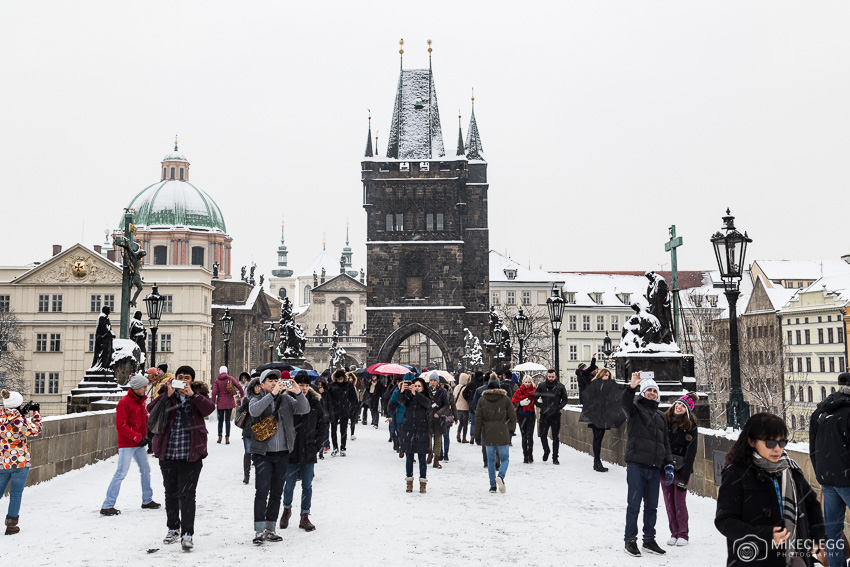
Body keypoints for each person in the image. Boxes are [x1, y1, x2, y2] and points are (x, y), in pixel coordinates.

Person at [716, 412, 826, 567]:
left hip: (793, 556)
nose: (777, 449)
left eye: (782, 443)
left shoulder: (791, 469)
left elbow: (811, 505)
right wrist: (765, 536)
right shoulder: (736, 474)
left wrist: (817, 536)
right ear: (751, 441)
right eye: (770, 443)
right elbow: (725, 521)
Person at [147, 365, 215, 551]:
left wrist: (192, 395)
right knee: (170, 493)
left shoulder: (199, 394)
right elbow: (150, 409)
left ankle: (187, 533)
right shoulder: (165, 394)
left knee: (187, 495)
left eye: (187, 377)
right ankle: (172, 528)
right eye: (180, 376)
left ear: (192, 380)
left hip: (191, 453)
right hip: (168, 452)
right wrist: (166, 396)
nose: (183, 380)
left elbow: (209, 409)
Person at [248, 369, 309, 545]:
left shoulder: (286, 400)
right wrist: (271, 395)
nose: (274, 383)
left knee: (276, 492)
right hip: (263, 453)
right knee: (261, 491)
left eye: (276, 380)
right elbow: (254, 411)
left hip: (282, 453)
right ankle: (259, 530)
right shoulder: (258, 399)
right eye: (270, 381)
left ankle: (271, 527)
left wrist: (297, 391)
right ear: (262, 385)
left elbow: (304, 409)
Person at [621, 372, 674, 558]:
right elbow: (625, 403)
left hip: (654, 467)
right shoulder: (635, 409)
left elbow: (665, 442)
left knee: (652, 506)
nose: (652, 393)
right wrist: (632, 386)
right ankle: (630, 539)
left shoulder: (661, 416)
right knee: (634, 504)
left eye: (654, 391)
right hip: (637, 465)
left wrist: (668, 464)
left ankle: (649, 539)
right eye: (649, 390)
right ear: (643, 393)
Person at [100, 373, 160, 516]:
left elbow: (143, 421)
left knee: (145, 470)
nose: (146, 389)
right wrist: (138, 437)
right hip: (127, 443)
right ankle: (107, 505)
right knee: (121, 473)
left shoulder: (140, 402)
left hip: (138, 442)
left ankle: (147, 499)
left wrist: (149, 433)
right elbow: (121, 426)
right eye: (144, 387)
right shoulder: (124, 403)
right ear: (137, 387)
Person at [809, 372, 850, 567]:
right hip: (847, 478)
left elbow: (813, 447)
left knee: (832, 530)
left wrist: (819, 473)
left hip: (827, 479)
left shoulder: (820, 412)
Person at [280, 371, 326, 533]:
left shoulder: (315, 402)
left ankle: (304, 515)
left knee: (307, 485)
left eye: (306, 385)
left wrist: (317, 444)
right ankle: (286, 510)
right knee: (289, 484)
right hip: (291, 449)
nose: (304, 388)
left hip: (308, 449)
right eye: (301, 385)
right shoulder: (287, 400)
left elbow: (322, 425)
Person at [0, 389, 41, 535]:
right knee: (16, 495)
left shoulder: (1, 416)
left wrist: (22, 412)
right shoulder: (19, 420)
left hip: (3, 462)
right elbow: (36, 430)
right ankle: (11, 525)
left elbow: (10, 424)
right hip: (20, 462)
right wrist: (36, 413)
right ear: (18, 404)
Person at [661, 392, 699, 547]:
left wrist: (684, 476)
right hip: (665, 467)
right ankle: (674, 533)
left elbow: (691, 453)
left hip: (682, 468)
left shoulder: (691, 427)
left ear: (687, 410)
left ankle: (683, 533)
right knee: (669, 502)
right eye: (678, 403)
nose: (678, 407)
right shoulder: (665, 421)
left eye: (683, 406)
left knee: (679, 502)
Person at [474, 376, 517, 493]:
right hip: (502, 431)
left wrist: (476, 435)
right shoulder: (505, 399)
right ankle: (501, 476)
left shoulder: (482, 400)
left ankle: (492, 485)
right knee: (505, 459)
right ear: (498, 386)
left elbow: (478, 419)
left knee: (491, 460)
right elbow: (512, 416)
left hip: (488, 433)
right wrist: (511, 430)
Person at [399, 378, 431, 494]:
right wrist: (402, 391)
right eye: (415, 385)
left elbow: (427, 404)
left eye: (419, 386)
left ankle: (423, 483)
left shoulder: (424, 397)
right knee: (409, 457)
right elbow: (402, 402)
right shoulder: (410, 397)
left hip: (422, 429)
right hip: (409, 428)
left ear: (423, 388)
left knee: (422, 458)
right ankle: (409, 482)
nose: (417, 387)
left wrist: (416, 394)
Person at [534, 369, 568, 465]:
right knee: (543, 435)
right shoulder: (542, 386)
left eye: (552, 377)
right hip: (544, 415)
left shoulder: (560, 387)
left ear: (555, 376)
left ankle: (555, 457)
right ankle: (546, 450)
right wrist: (541, 405)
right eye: (549, 377)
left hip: (555, 415)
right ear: (547, 376)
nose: (551, 378)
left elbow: (565, 399)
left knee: (555, 437)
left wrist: (558, 407)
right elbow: (535, 398)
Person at [235, 375, 263, 484]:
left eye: (259, 386)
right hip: (248, 429)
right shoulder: (247, 399)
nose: (257, 389)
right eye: (255, 387)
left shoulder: (264, 398)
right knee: (248, 452)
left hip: (259, 429)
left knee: (258, 454)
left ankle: (259, 475)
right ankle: (246, 475)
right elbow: (239, 410)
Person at [585, 367, 613, 472]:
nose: (607, 377)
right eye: (606, 375)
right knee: (597, 439)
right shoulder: (595, 384)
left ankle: (596, 462)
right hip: (597, 415)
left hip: (603, 415)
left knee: (598, 439)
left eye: (608, 376)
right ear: (601, 375)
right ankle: (597, 462)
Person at [211, 365, 245, 445]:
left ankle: (219, 437)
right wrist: (242, 395)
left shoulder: (217, 381)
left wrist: (212, 402)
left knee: (220, 421)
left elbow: (214, 392)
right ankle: (227, 438)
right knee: (227, 421)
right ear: (226, 371)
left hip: (220, 404)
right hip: (229, 403)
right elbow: (239, 386)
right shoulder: (230, 379)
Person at [328, 369, 358, 456]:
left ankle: (343, 447)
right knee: (333, 430)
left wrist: (350, 407)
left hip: (344, 410)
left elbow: (354, 399)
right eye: (338, 379)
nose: (340, 381)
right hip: (334, 410)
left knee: (343, 430)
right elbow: (328, 398)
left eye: (341, 379)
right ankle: (335, 447)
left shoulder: (348, 385)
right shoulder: (332, 385)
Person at [511, 375, 537, 463]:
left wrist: (539, 400)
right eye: (525, 382)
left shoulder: (534, 391)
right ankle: (525, 456)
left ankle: (530, 455)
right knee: (524, 436)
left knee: (530, 436)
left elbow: (538, 400)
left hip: (531, 415)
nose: (527, 384)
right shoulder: (519, 391)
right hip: (522, 415)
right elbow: (513, 402)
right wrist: (520, 403)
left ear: (531, 382)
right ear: (523, 382)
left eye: (529, 382)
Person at [427, 373, 449, 469]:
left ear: (437, 382)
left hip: (439, 418)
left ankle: (436, 460)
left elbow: (446, 405)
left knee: (438, 440)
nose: (433, 382)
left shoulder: (442, 391)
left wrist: (439, 413)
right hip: (428, 417)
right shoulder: (426, 391)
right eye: (431, 380)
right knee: (428, 438)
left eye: (434, 380)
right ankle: (430, 452)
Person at [453, 373, 472, 444]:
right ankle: (464, 438)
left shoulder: (456, 387)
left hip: (458, 407)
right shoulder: (466, 388)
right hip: (465, 408)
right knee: (465, 424)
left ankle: (458, 433)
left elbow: (454, 397)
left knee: (460, 423)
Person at [347, 372, 361, 441]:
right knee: (345, 420)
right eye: (349, 378)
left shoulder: (354, 386)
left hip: (353, 405)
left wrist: (356, 404)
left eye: (351, 378)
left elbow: (356, 396)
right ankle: (345, 433)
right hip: (346, 405)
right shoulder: (345, 386)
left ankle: (352, 433)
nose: (350, 379)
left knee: (353, 420)